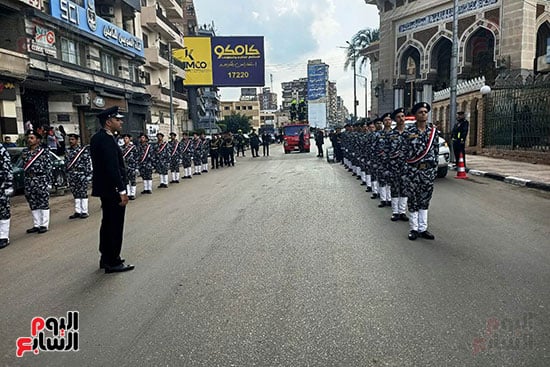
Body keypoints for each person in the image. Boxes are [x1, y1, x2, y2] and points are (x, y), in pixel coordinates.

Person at [90, 106, 134, 273]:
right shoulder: (107, 140)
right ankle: (113, 261)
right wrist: (122, 190)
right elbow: (112, 168)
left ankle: (105, 257)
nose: (121, 122)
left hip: (104, 189)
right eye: (118, 119)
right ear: (108, 122)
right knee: (115, 225)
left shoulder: (98, 138)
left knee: (107, 223)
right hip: (112, 189)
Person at [403, 102, 438, 241]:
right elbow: (403, 152)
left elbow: (435, 151)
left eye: (425, 112)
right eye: (420, 112)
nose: (424, 114)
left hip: (427, 172)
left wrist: (434, 170)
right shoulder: (408, 132)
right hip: (413, 171)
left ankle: (423, 228)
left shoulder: (433, 132)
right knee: (413, 200)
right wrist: (406, 171)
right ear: (415, 115)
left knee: (425, 200)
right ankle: (414, 228)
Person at [22, 130, 52, 234]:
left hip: (41, 179)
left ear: (38, 140)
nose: (29, 140)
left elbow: (48, 167)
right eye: (28, 138)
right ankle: (36, 224)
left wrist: (49, 182)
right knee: (33, 202)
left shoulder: (43, 152)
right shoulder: (25, 152)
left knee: (43, 201)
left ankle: (44, 224)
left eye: (32, 138)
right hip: (29, 180)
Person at [388, 108, 409, 222]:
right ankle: (395, 212)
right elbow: (386, 152)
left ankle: (402, 212)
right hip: (394, 166)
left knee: (404, 189)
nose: (401, 119)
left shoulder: (410, 133)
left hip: (407, 166)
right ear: (395, 119)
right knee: (395, 188)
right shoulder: (391, 134)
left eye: (402, 116)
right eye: (398, 117)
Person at [65, 133, 92, 219]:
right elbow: (66, 163)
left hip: (81, 174)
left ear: (77, 140)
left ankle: (84, 211)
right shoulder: (67, 151)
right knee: (75, 193)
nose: (71, 141)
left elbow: (87, 163)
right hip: (72, 174)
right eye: (70, 140)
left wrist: (88, 175)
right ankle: (78, 211)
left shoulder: (83, 150)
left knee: (82, 192)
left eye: (72, 139)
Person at [0, 142, 13, 248]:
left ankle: (4, 236)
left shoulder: (2, 151)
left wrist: (8, 185)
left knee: (3, 210)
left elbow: (7, 168)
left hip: (1, 186)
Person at [121, 134, 139, 199]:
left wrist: (136, 167)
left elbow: (136, 157)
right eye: (124, 138)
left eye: (126, 138)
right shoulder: (121, 147)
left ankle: (132, 194)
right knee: (126, 181)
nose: (125, 140)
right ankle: (128, 193)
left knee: (132, 180)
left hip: (132, 166)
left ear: (129, 139)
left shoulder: (133, 147)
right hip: (124, 167)